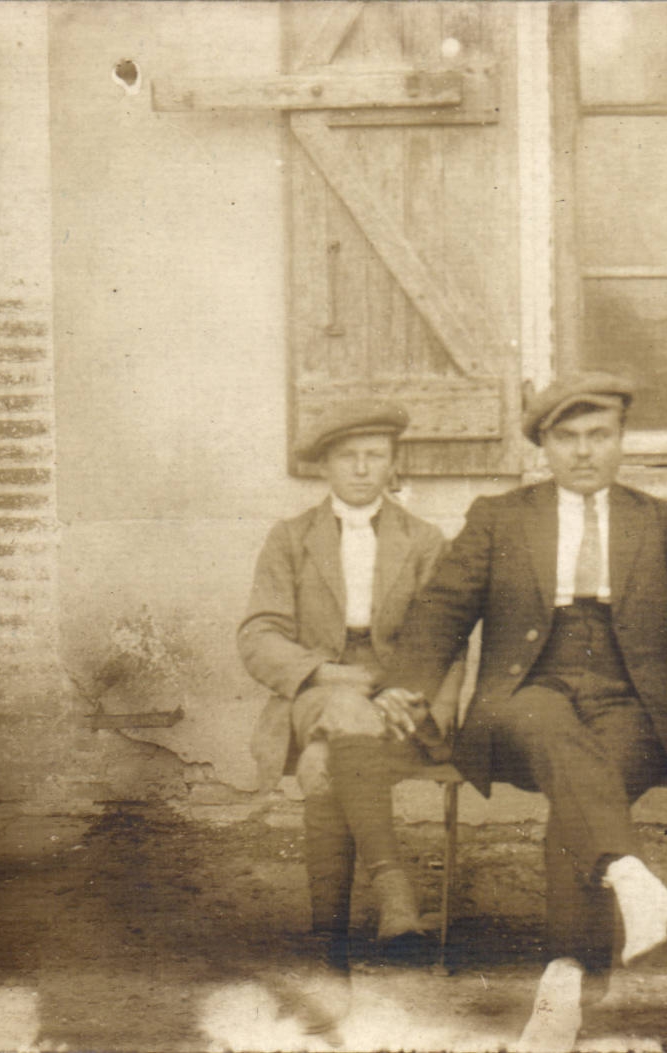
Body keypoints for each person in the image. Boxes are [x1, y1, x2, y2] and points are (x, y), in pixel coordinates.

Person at [376, 373, 667, 1052]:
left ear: (620, 441)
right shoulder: (499, 515)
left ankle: (565, 980)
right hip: (523, 695)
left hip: (628, 700)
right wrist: (407, 684)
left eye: (598, 435)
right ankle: (625, 875)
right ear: (544, 445)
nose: (582, 451)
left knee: (585, 780)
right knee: (551, 730)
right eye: (566, 438)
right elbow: (443, 607)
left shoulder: (658, 521)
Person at [238, 401, 457, 1034]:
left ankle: (329, 953)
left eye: (375, 456)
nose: (362, 468)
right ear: (326, 467)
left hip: (398, 696)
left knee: (323, 763)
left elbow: (438, 637)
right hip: (317, 684)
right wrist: (338, 676)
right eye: (347, 456)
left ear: (394, 464)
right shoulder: (290, 538)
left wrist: (398, 688)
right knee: (339, 711)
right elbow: (259, 635)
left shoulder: (423, 541)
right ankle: (394, 892)